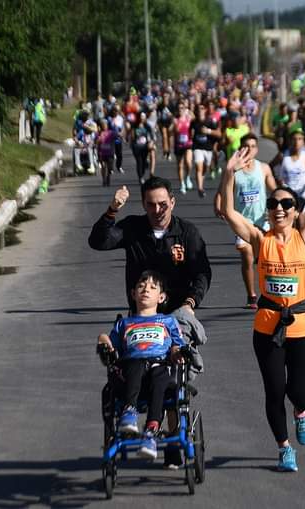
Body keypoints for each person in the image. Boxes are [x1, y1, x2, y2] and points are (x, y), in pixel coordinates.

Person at [219, 141, 305, 473]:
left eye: (286, 204)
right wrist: (227, 173)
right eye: (274, 203)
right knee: (274, 390)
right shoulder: (260, 239)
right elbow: (229, 212)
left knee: (297, 390)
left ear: (295, 209)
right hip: (267, 326)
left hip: (304, 326)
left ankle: (302, 412)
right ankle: (283, 448)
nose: (279, 208)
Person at [89, 176, 212, 469]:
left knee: (171, 374)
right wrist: (111, 210)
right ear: (143, 204)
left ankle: (169, 438)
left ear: (172, 201)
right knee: (134, 361)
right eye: (150, 204)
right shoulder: (134, 228)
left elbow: (203, 271)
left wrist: (190, 303)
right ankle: (131, 414)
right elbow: (99, 241)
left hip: (177, 313)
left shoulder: (186, 233)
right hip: (142, 315)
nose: (157, 209)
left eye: (162, 204)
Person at [97, 270, 185, 460]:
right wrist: (103, 339)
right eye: (141, 286)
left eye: (153, 287)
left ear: (161, 297)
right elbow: (111, 344)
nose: (146, 289)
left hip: (160, 371)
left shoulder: (168, 321)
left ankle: (151, 431)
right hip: (131, 373)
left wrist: (177, 352)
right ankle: (129, 412)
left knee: (159, 373)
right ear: (133, 294)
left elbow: (178, 345)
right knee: (136, 364)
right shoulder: (124, 324)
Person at [214, 133, 275, 309]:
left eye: (253, 146)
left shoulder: (263, 168)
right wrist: (218, 205)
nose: (249, 149)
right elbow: (221, 190)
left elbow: (274, 189)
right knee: (247, 256)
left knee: (264, 258)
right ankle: (251, 295)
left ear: (257, 149)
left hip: (262, 220)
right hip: (241, 221)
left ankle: (268, 293)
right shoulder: (234, 169)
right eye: (246, 146)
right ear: (241, 148)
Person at [272, 128, 305, 229]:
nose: (297, 142)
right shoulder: (283, 156)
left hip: (301, 196)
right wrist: (277, 179)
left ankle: (300, 243)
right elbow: (270, 166)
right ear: (290, 141)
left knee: (301, 222)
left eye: (300, 139)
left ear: (303, 142)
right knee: (288, 225)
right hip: (287, 196)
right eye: (294, 139)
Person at [191, 103, 221, 198]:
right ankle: (200, 188)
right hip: (197, 148)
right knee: (198, 167)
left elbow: (219, 134)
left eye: (202, 108)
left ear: (205, 110)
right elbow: (189, 133)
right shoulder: (194, 122)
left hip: (208, 148)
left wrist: (209, 131)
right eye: (199, 109)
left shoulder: (210, 121)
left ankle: (202, 180)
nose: (200, 110)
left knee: (205, 168)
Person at [173, 104, 194, 194]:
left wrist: (188, 111)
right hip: (178, 145)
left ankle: (188, 177)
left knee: (188, 162)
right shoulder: (175, 120)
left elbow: (195, 117)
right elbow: (176, 130)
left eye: (182, 108)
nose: (180, 110)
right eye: (179, 108)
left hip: (188, 144)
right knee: (180, 165)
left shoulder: (188, 118)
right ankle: (182, 184)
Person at [130, 112, 152, 184]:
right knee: (139, 162)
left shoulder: (147, 126)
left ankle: (142, 174)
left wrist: (150, 142)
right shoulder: (134, 126)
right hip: (136, 147)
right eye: (141, 117)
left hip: (145, 147)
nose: (142, 118)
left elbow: (151, 136)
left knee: (144, 161)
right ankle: (140, 177)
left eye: (143, 117)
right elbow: (132, 136)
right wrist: (133, 143)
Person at [97, 118, 115, 187]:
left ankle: (108, 177)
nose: (104, 126)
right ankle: (104, 180)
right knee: (103, 167)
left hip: (110, 153)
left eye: (105, 125)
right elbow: (97, 143)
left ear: (107, 126)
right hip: (102, 153)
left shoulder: (111, 133)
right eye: (102, 125)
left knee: (110, 168)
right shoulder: (99, 134)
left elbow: (117, 137)